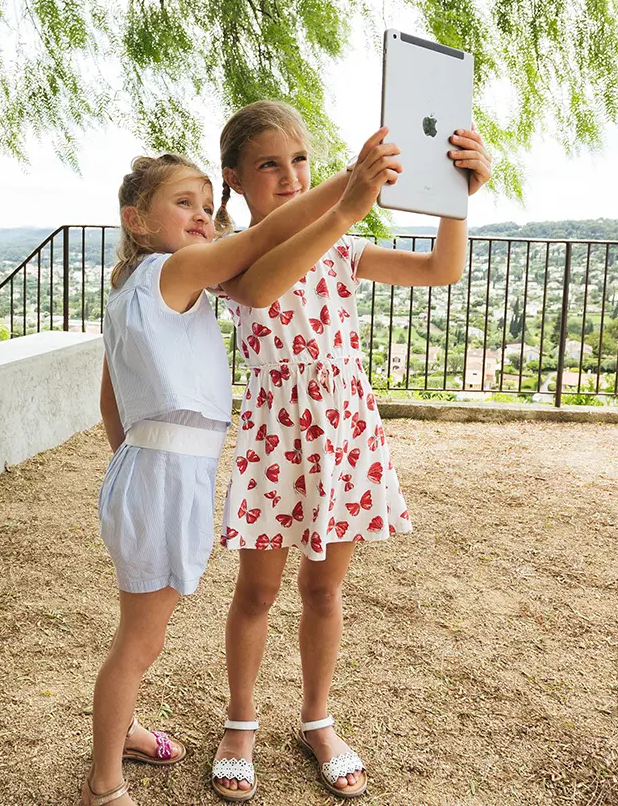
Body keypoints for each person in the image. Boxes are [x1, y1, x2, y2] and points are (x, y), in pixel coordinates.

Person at [83, 136, 400, 806]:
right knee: (140, 640)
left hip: (158, 468)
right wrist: (350, 189)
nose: (203, 215)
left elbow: (112, 394)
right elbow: (262, 242)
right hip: (165, 472)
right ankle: (104, 786)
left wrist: (134, 461)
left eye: (207, 204)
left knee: (146, 631)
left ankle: (124, 730)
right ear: (135, 220)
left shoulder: (148, 287)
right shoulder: (175, 274)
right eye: (184, 204)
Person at [209, 100, 491, 800]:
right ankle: (239, 724)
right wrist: (345, 199)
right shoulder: (226, 252)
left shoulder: (341, 248)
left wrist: (456, 197)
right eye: (269, 164)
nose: (288, 175)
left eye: (299, 159)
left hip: (343, 433)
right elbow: (265, 287)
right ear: (235, 179)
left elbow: (441, 271)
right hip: (278, 436)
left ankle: (317, 721)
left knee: (325, 590)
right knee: (259, 590)